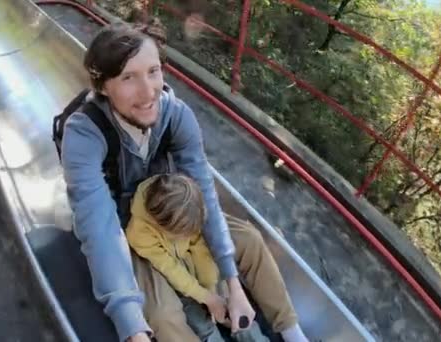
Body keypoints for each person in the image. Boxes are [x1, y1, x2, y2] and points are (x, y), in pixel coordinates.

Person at [60, 21, 308, 342]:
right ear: (104, 87)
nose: (148, 92)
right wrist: (132, 326)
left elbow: (204, 192)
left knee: (248, 239)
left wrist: (233, 282)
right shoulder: (84, 135)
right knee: (163, 315)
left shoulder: (176, 116)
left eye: (153, 71)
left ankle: (292, 333)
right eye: (128, 78)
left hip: (173, 211)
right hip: (130, 231)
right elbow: (100, 229)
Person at [125, 173, 269, 342]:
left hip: (194, 269)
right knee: (200, 324)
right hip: (171, 280)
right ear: (162, 226)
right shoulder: (138, 233)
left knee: (234, 312)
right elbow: (170, 269)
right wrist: (206, 298)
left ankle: (249, 333)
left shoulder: (186, 210)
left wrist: (211, 288)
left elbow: (199, 247)